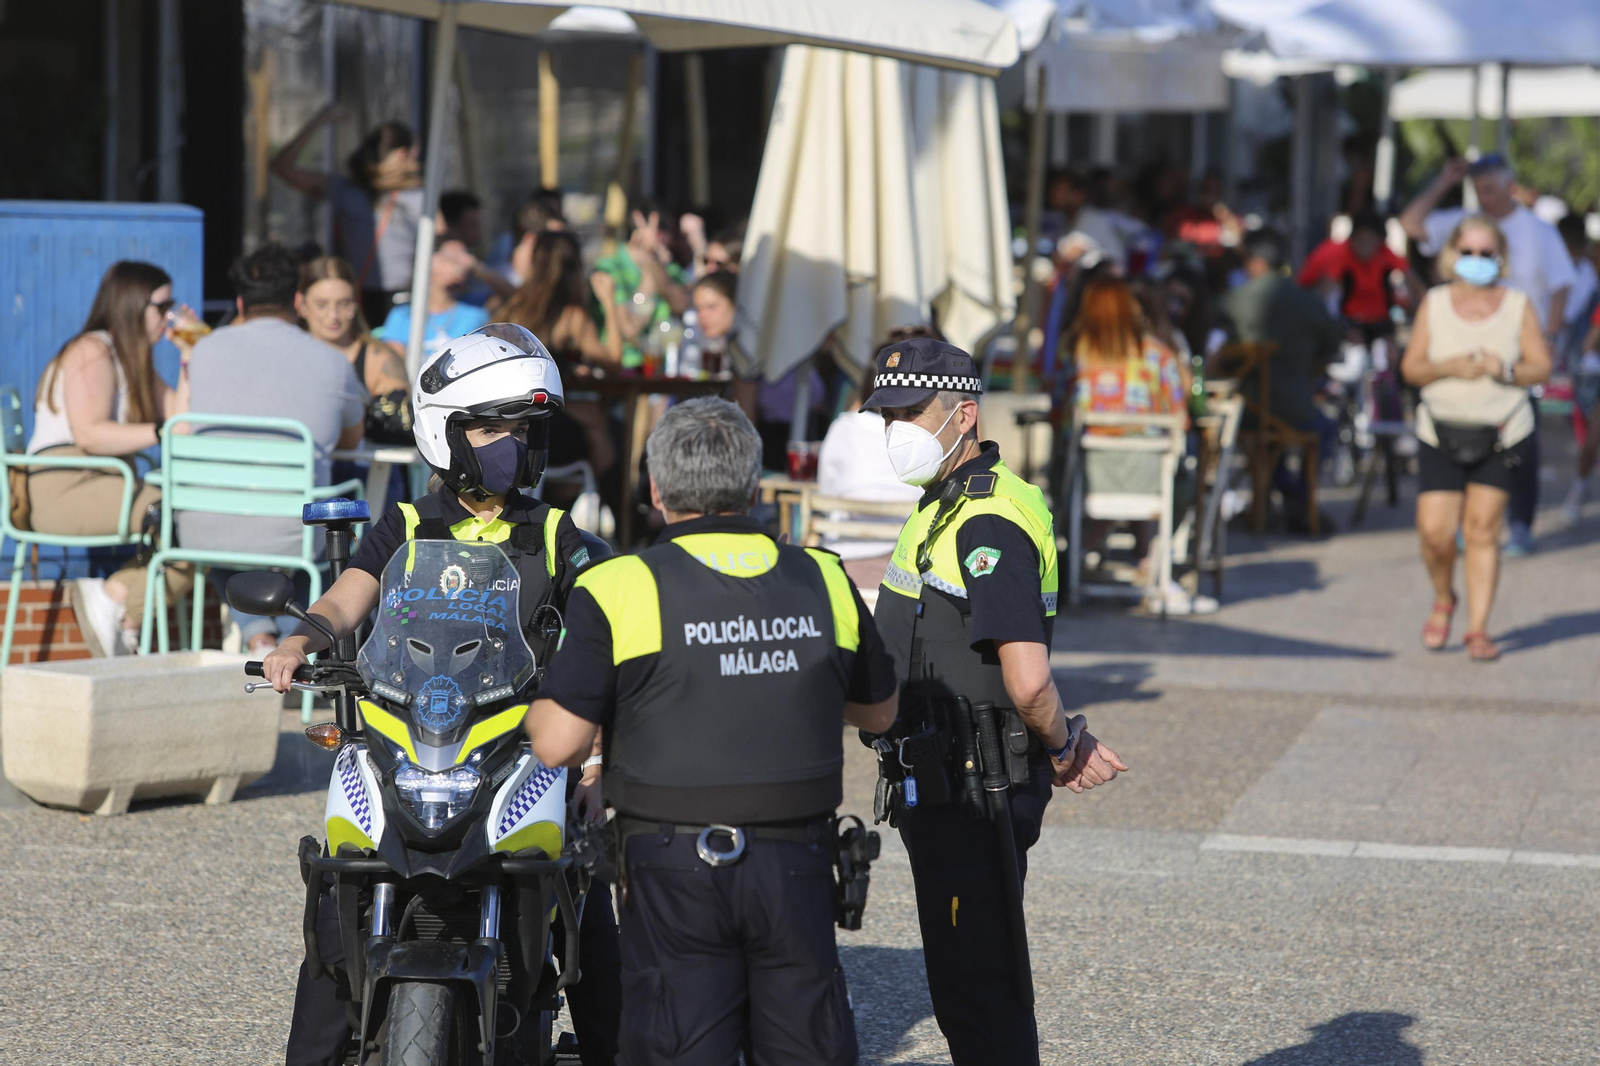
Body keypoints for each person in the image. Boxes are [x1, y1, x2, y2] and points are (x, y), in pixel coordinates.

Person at [262, 324, 621, 1066]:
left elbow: (609, 643)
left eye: (523, 430)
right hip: (408, 739)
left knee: (586, 901)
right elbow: (345, 601)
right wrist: (300, 642)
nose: (510, 445)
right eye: (492, 427)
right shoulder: (405, 526)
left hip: (519, 752)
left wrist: (594, 767)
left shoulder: (560, 536)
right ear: (443, 433)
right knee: (338, 903)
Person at [523, 395, 899, 1066]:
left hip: (671, 867)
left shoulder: (620, 585)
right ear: (754, 487)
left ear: (657, 489)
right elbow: (879, 714)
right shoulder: (824, 577)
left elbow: (556, 744)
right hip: (798, 863)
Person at [862, 337, 1128, 1065]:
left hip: (976, 788)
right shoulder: (945, 504)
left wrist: (1064, 746)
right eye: (887, 416)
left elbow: (1029, 679)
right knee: (962, 986)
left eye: (911, 413)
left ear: (964, 415)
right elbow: (909, 583)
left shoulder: (990, 521)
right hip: (939, 780)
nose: (896, 431)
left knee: (981, 993)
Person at [179, 243, 367, 656]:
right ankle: (287, 641)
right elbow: (351, 441)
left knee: (228, 543)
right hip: (294, 530)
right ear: (298, 302)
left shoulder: (203, 350)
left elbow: (185, 423)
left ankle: (259, 636)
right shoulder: (333, 361)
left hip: (202, 523)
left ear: (240, 302)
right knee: (312, 550)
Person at [1400, 155, 1576, 554]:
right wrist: (1443, 180)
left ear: (1510, 188)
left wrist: (1545, 338)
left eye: (1490, 189)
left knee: (1520, 440)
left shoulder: (1538, 233)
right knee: (1458, 439)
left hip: (1518, 353)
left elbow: (1561, 285)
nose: (1484, 197)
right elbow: (1410, 224)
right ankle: (1469, 521)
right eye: (1478, 190)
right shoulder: (1464, 224)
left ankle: (1518, 523)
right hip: (1462, 357)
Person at [28, 260, 201, 657]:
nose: (171, 314)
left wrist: (189, 354)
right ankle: (124, 608)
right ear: (132, 304)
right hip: (63, 484)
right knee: (181, 521)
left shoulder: (131, 356)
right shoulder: (92, 349)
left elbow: (182, 420)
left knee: (195, 526)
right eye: (163, 305)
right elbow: (89, 434)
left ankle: (118, 600)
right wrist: (159, 432)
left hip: (107, 482)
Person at [1399, 215, 1551, 662]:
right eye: (1469, 252)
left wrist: (1504, 370)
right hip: (1441, 428)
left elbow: (1540, 366)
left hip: (1501, 429)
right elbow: (1411, 368)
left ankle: (1478, 629)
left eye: (1487, 253)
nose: (1478, 261)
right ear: (1452, 254)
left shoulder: (1518, 303)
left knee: (1482, 531)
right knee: (1434, 533)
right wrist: (1447, 366)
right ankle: (1444, 597)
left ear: (1501, 256)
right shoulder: (1436, 302)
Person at [1074, 278, 1211, 614]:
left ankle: (1080, 554)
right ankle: (1150, 562)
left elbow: (1061, 416)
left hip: (1092, 481)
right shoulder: (1158, 356)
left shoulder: (1076, 357)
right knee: (1170, 469)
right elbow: (1181, 418)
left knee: (1080, 461)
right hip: (1151, 482)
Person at [1220, 227, 1342, 531]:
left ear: (1255, 262)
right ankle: (1298, 496)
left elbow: (1215, 355)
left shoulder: (1231, 301)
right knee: (1323, 429)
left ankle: (1288, 494)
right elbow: (1332, 345)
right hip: (1297, 407)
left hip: (1247, 411)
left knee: (1265, 440)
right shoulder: (1308, 301)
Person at [271, 108, 424, 326]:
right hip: (396, 298)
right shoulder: (416, 196)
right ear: (402, 153)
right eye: (415, 154)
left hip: (356, 297)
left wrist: (317, 122)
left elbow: (283, 167)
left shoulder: (346, 191)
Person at [816, 327, 935, 591]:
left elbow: (826, 495)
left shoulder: (845, 428)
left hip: (843, 572)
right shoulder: (931, 436)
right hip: (914, 575)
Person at [499, 230, 625, 478]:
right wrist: (609, 303)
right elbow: (614, 363)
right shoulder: (571, 316)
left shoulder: (512, 307)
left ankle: (564, 495)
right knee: (601, 422)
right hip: (547, 425)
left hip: (509, 417)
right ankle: (619, 508)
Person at [296, 255, 408, 400]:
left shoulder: (379, 360)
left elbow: (401, 417)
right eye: (321, 305)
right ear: (301, 305)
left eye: (343, 304)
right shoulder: (286, 356)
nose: (333, 316)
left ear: (356, 303)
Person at [1297, 212, 1423, 338]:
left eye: (1370, 240)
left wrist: (1422, 314)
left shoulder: (1385, 253)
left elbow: (1414, 282)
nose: (1365, 246)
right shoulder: (1339, 253)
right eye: (1361, 240)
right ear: (1352, 238)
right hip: (1347, 321)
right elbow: (1323, 294)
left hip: (1380, 322)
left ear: (1380, 241)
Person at [594, 209, 690, 369]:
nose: (667, 240)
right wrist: (648, 272)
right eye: (660, 232)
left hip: (666, 368)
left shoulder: (666, 266)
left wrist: (655, 265)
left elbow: (681, 305)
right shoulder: (609, 268)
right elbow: (630, 329)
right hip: (625, 371)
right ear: (637, 234)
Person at [374, 235, 490, 358]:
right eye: (447, 258)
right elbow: (395, 361)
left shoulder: (476, 312)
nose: (456, 264)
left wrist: (477, 267)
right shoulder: (402, 315)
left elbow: (511, 297)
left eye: (458, 260)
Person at [439, 188, 515, 307]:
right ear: (451, 226)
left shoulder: (473, 265)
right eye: (472, 224)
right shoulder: (436, 266)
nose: (479, 231)